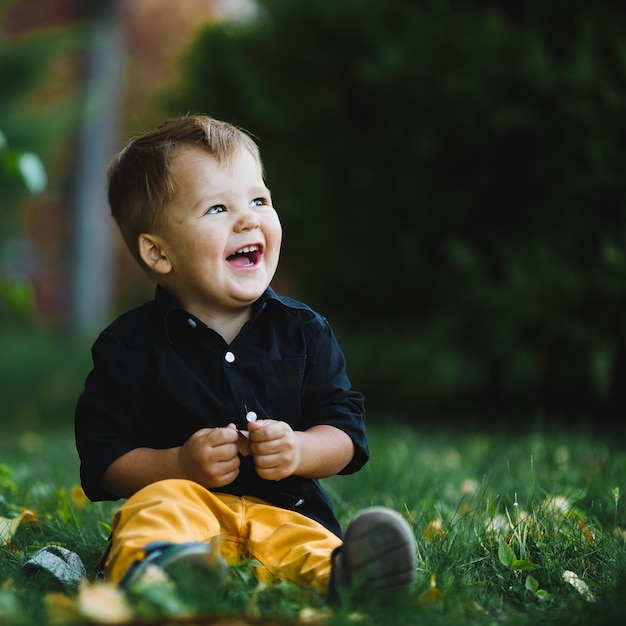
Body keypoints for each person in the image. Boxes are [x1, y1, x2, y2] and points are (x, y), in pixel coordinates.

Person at [74, 114, 416, 604]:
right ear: (159, 253)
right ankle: (160, 570)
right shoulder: (128, 347)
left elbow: (345, 432)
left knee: (309, 541)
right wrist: (178, 464)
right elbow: (104, 462)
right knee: (155, 515)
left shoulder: (304, 331)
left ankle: (353, 576)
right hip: (184, 503)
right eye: (217, 208)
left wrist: (299, 449)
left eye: (259, 200)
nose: (248, 218)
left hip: (288, 507)